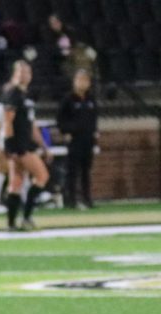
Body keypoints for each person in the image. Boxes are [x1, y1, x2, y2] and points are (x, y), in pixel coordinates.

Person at [1, 59, 50, 232]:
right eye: (21, 72)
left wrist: (43, 145)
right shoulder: (13, 93)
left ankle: (11, 223)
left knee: (16, 183)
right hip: (20, 145)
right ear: (15, 74)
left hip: (24, 143)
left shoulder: (26, 95)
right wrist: (10, 147)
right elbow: (7, 121)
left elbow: (32, 125)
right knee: (42, 176)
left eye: (27, 72)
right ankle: (27, 217)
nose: (24, 75)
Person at [56, 68, 98, 209]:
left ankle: (87, 198)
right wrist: (66, 131)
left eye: (85, 80)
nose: (82, 83)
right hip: (74, 140)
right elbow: (60, 120)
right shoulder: (68, 99)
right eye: (79, 80)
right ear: (74, 82)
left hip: (88, 140)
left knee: (86, 170)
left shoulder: (91, 99)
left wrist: (94, 133)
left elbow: (94, 118)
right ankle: (70, 199)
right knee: (72, 170)